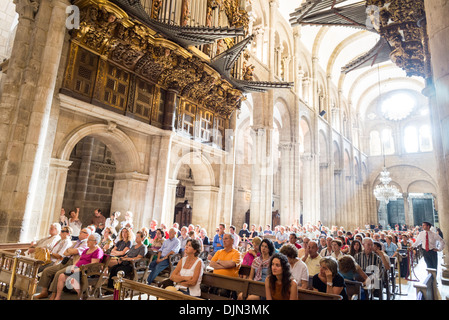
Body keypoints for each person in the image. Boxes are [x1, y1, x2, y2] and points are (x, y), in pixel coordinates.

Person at [35, 228, 91, 299]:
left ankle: (54, 295)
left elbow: (75, 251)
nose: (79, 233)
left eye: (82, 232)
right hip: (66, 261)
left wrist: (71, 251)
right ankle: (44, 291)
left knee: (58, 274)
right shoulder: (76, 242)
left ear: (87, 235)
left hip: (73, 263)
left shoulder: (86, 243)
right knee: (47, 270)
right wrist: (70, 251)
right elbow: (65, 252)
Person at [52, 233, 104, 300]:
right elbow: (79, 259)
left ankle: (80, 296)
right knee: (61, 276)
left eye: (90, 240)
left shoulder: (98, 251)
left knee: (72, 279)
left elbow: (93, 265)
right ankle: (57, 297)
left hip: (88, 272)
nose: (87, 241)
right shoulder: (86, 250)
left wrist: (79, 269)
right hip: (78, 269)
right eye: (88, 240)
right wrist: (74, 266)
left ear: (96, 242)